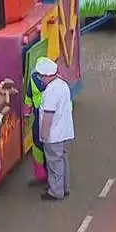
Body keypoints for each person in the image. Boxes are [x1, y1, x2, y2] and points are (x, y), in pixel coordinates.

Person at [36, 57, 74, 201]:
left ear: (46, 76)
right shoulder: (62, 85)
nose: (40, 79)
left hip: (54, 134)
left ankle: (56, 191)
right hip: (64, 131)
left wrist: (44, 136)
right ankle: (64, 187)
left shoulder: (51, 91)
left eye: (41, 76)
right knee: (62, 159)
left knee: (54, 162)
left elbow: (48, 116)